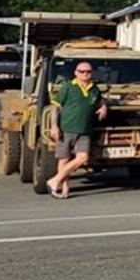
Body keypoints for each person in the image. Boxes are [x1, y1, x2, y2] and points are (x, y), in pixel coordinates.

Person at [45, 60, 107, 198]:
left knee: (83, 157)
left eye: (88, 71)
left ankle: (54, 181)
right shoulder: (68, 87)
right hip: (66, 128)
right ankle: (63, 188)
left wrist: (103, 107)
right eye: (82, 71)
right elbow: (55, 106)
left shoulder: (94, 88)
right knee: (64, 159)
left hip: (85, 130)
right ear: (76, 73)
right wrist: (54, 126)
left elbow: (100, 99)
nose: (85, 74)